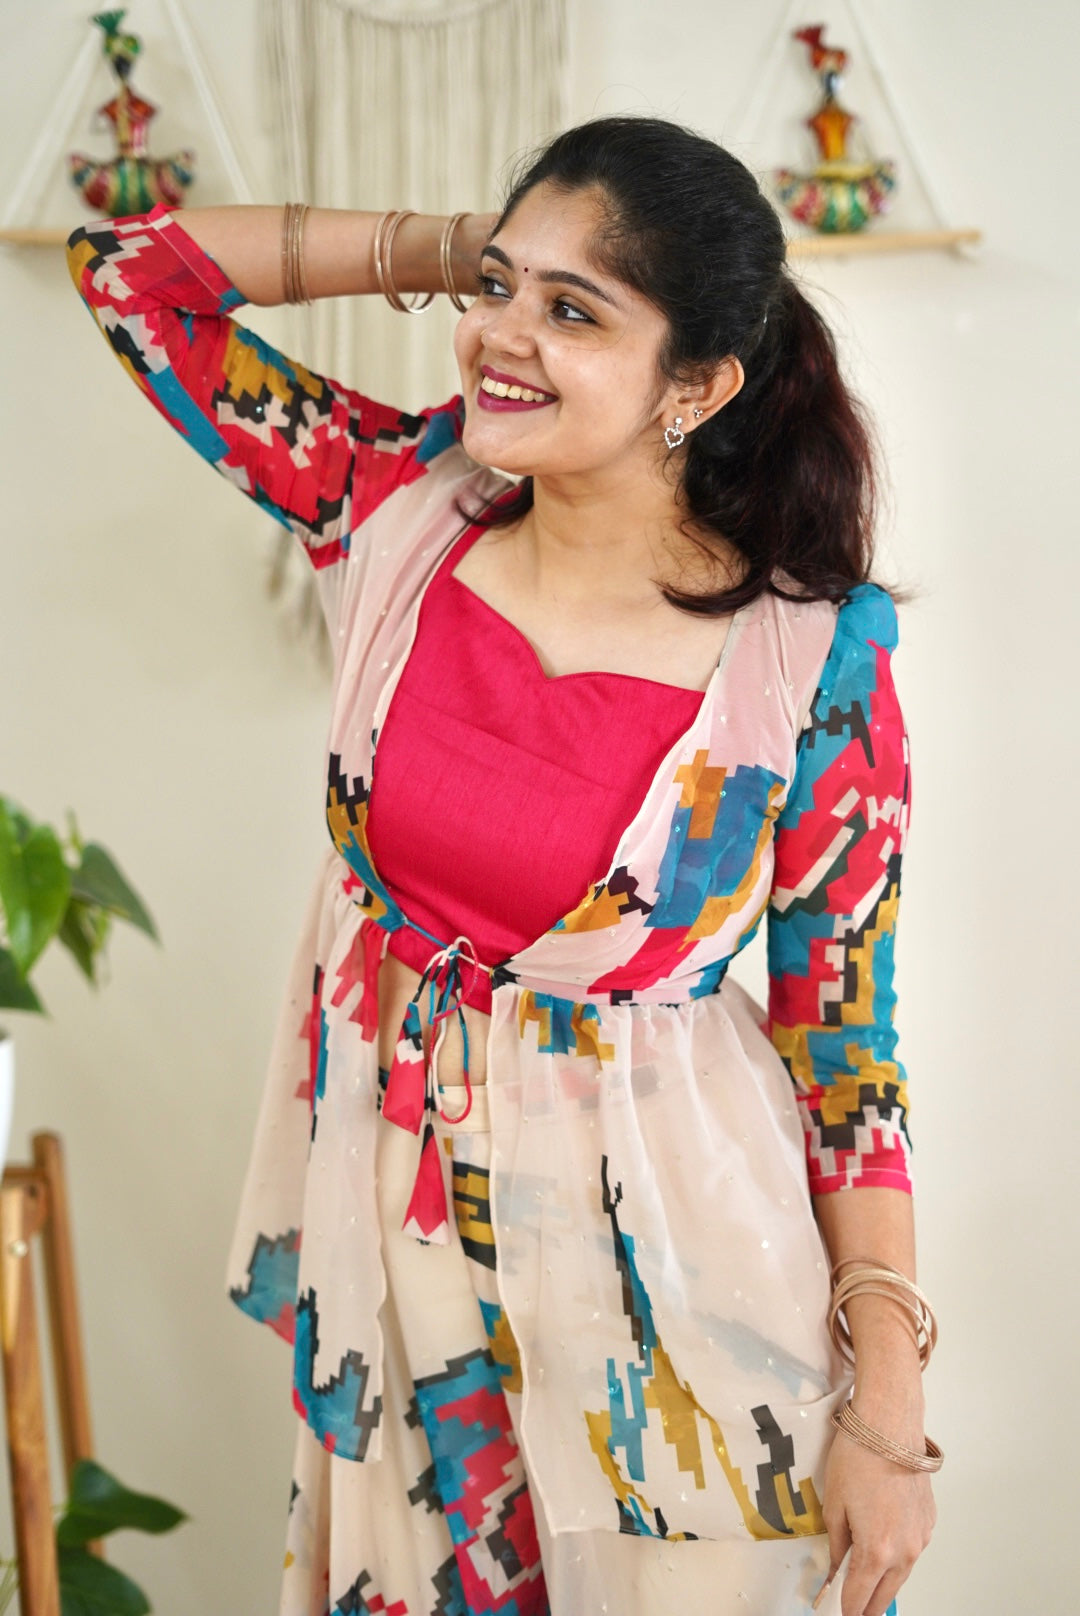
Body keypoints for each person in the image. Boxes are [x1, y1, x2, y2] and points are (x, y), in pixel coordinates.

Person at [66, 115, 938, 1616]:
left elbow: (846, 1050)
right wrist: (445, 245)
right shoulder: (393, 503)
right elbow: (131, 275)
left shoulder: (810, 662)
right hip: (410, 1276)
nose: (500, 338)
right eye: (496, 289)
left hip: (678, 1309)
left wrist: (890, 1414)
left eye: (575, 312)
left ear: (698, 386)